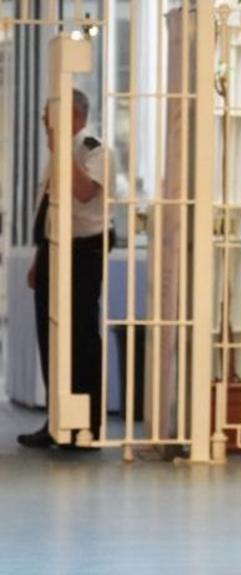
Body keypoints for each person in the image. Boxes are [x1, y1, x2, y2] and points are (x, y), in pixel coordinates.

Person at [17, 88, 111, 450]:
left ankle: (86, 425)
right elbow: (53, 210)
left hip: (84, 253)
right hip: (54, 251)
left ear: (76, 115)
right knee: (51, 336)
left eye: (50, 118)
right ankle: (57, 420)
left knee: (81, 336)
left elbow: (86, 193)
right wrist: (40, 260)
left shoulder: (90, 148)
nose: (45, 125)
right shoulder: (60, 153)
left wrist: (62, 152)